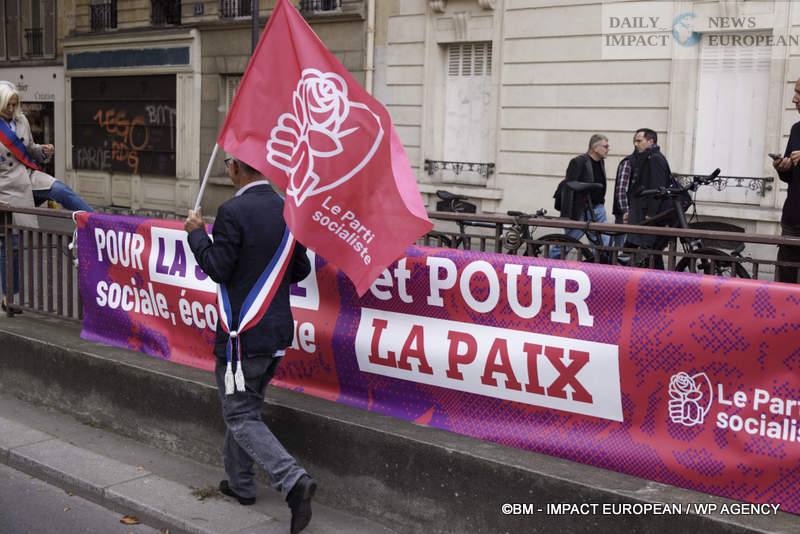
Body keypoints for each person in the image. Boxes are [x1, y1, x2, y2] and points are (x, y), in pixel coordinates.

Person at [184, 156, 316, 534]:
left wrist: (197, 234)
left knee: (239, 416)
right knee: (246, 409)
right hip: (275, 334)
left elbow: (218, 268)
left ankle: (293, 481)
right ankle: (241, 483)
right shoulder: (288, 209)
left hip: (243, 335)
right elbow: (300, 269)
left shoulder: (232, 211)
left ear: (235, 169)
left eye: (229, 163)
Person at [0, 81, 93, 212]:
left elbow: (29, 147)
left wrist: (41, 150)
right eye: (7, 105)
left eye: (14, 105)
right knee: (20, 223)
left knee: (62, 190)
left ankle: (97, 220)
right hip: (6, 185)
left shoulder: (21, 120)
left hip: (28, 176)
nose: (11, 109)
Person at [550, 134, 610, 258]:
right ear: (595, 148)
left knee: (602, 244)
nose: (608, 149)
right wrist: (570, 215)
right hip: (581, 211)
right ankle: (549, 264)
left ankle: (597, 267)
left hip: (598, 208)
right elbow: (569, 187)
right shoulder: (578, 161)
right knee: (567, 242)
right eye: (605, 146)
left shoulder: (601, 162)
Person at [627, 128, 672, 268]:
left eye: (639, 141)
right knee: (651, 254)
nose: (636, 144)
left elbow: (658, 187)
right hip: (643, 212)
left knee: (650, 252)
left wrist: (651, 214)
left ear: (650, 141)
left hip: (648, 215)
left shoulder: (654, 158)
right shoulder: (648, 157)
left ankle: (657, 280)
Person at [773, 76, 800, 283]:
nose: (794, 99)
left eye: (799, 93)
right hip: (792, 221)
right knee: (785, 287)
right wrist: (783, 168)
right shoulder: (796, 129)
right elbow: (792, 177)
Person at [611, 129, 649, 248]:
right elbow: (621, 190)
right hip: (626, 213)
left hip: (638, 213)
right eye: (635, 141)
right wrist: (626, 211)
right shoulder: (629, 162)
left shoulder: (647, 162)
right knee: (619, 246)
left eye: (639, 141)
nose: (636, 144)